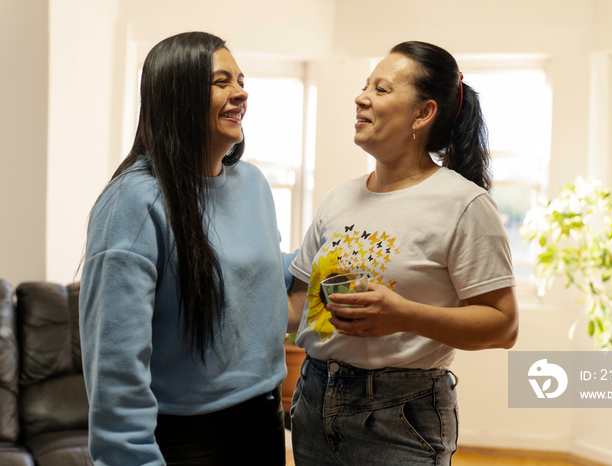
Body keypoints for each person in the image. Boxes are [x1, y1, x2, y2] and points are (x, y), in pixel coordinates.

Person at [287, 41, 519, 465]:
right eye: (364, 87)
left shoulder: (464, 204)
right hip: (313, 401)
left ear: (423, 112)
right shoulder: (338, 198)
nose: (361, 97)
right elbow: (299, 303)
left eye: (381, 89)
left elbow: (503, 327)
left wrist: (403, 314)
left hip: (401, 416)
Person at [79, 31, 295, 465]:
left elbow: (260, 270)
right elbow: (116, 367)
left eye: (241, 79)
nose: (241, 93)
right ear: (177, 95)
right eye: (222, 82)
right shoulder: (134, 202)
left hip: (267, 422)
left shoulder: (252, 184)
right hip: (187, 441)